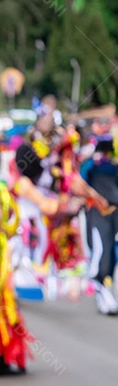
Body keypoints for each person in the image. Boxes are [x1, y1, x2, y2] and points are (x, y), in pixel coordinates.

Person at [80, 129, 118, 314]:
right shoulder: (94, 165)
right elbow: (80, 184)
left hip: (108, 212)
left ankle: (104, 287)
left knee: (108, 250)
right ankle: (101, 287)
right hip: (99, 211)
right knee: (103, 249)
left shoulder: (96, 165)